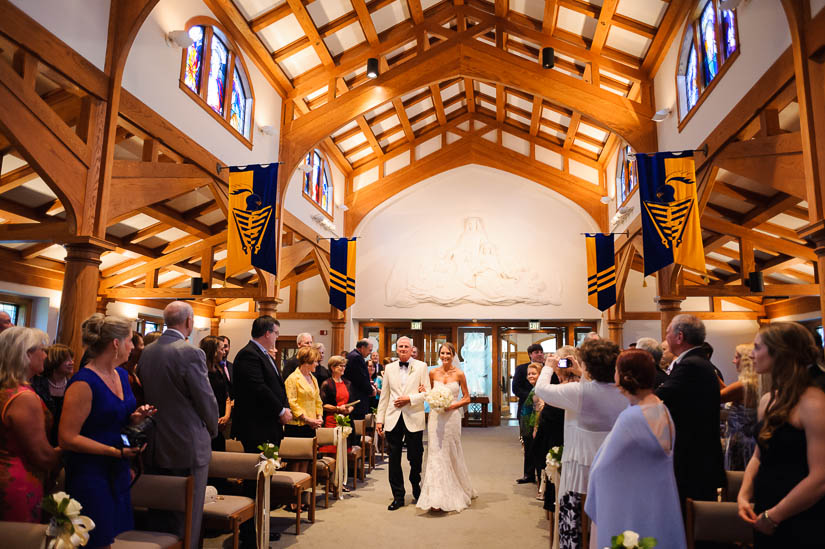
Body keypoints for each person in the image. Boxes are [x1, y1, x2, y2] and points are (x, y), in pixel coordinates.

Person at [60, 315, 155, 547]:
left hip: (118, 469)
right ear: (115, 343)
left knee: (115, 536)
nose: (132, 347)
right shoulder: (83, 383)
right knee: (96, 538)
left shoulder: (122, 376)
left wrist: (135, 419)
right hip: (91, 472)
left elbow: (115, 420)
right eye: (130, 341)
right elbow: (67, 437)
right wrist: (113, 452)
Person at [586, 349, 687, 549]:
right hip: (657, 500)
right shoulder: (660, 407)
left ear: (624, 376)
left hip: (633, 506)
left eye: (616, 370)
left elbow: (603, 466)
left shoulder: (632, 418)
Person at [137, 302, 218, 549]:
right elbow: (205, 398)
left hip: (157, 439)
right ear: (189, 322)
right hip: (187, 442)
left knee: (159, 510)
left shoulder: (147, 352)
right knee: (188, 513)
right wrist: (212, 428)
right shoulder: (191, 352)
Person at [737, 322, 825, 548]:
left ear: (781, 353)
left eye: (757, 348)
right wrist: (744, 495)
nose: (752, 355)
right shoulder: (768, 399)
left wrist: (775, 515)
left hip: (803, 516)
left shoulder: (813, 402)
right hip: (767, 508)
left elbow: (820, 477)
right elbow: (759, 454)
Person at [534, 339, 627, 549]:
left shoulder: (578, 391)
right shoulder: (622, 391)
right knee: (604, 521)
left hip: (580, 468)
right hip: (612, 466)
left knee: (575, 521)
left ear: (587, 365)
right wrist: (582, 373)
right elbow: (599, 387)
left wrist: (548, 367)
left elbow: (542, 390)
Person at [232, 315, 291, 545]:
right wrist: (280, 411)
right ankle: (250, 532)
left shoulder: (262, 354)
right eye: (276, 333)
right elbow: (258, 388)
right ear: (267, 333)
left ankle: (261, 525)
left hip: (268, 428)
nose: (277, 337)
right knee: (255, 479)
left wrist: (284, 408)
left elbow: (275, 386)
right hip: (257, 428)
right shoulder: (249, 354)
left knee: (266, 477)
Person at [655, 314, 725, 506]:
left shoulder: (691, 365)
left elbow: (660, 397)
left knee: (691, 521)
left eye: (668, 331)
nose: (666, 336)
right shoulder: (695, 362)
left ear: (679, 337)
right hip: (695, 457)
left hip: (693, 459)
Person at [0, 327, 61, 522]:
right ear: (26, 354)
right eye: (42, 350)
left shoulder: (6, 390)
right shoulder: (24, 397)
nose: (45, 355)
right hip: (17, 481)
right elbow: (42, 456)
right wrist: (71, 448)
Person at [417, 342, 475, 512]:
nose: (445, 356)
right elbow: (427, 393)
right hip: (435, 417)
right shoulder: (432, 372)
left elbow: (467, 398)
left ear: (453, 355)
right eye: (442, 353)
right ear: (439, 355)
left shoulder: (459, 374)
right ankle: (435, 495)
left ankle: (457, 488)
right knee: (435, 451)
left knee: (451, 451)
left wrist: (452, 406)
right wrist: (425, 393)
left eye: (448, 353)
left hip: (452, 417)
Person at [376, 336, 431, 510]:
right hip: (393, 418)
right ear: (396, 349)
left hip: (413, 416)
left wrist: (410, 398)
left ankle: (416, 484)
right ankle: (398, 496)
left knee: (415, 457)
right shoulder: (389, 368)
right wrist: (380, 420)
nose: (403, 349)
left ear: (411, 348)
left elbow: (427, 393)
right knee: (393, 458)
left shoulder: (421, 366)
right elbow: (384, 396)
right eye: (400, 347)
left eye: (406, 346)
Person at [721, 343, 759, 471]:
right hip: (751, 441)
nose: (733, 361)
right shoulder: (755, 383)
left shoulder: (743, 385)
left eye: (736, 357)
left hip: (741, 443)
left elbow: (718, 397)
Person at [512, 343, 544, 483]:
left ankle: (542, 474)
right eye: (536, 352)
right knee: (528, 442)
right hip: (526, 410)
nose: (539, 354)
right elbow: (516, 389)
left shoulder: (547, 369)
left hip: (542, 410)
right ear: (530, 354)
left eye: (541, 352)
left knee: (540, 442)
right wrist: (532, 396)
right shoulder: (521, 369)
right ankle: (529, 474)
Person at [30, 343, 74, 446]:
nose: (72, 363)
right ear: (54, 362)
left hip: (63, 439)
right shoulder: (36, 383)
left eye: (72, 359)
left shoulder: (74, 384)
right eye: (67, 360)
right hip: (39, 437)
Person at [200, 336, 232, 452]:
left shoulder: (219, 370)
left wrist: (226, 417)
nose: (224, 352)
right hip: (206, 426)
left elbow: (226, 396)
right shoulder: (201, 372)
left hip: (220, 425)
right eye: (221, 349)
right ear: (213, 351)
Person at [284, 346, 324, 440]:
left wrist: (319, 417)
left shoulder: (313, 378)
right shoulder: (293, 378)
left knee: (311, 453)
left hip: (311, 424)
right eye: (315, 361)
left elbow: (317, 400)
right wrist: (307, 419)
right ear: (307, 361)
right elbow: (292, 402)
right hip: (297, 425)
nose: (317, 364)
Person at [519, 362, 543, 489]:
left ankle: (539, 481)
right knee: (528, 450)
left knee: (533, 452)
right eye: (529, 374)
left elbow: (537, 411)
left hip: (532, 425)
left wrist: (535, 428)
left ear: (540, 375)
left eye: (534, 373)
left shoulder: (537, 390)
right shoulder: (533, 388)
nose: (530, 376)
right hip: (527, 424)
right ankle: (529, 475)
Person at [344, 339, 375, 421]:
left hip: (355, 394)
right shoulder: (356, 357)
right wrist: (371, 390)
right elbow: (361, 379)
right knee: (358, 426)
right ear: (362, 348)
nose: (370, 353)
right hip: (357, 397)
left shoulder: (353, 355)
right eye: (370, 350)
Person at [320, 356, 353, 429]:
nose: (343, 368)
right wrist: (337, 409)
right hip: (331, 421)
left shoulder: (348, 383)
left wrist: (349, 409)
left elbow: (352, 402)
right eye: (341, 366)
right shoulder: (326, 384)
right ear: (332, 367)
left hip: (346, 421)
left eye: (344, 366)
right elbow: (322, 405)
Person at [121, 331, 144, 406]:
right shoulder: (121, 372)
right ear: (132, 348)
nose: (144, 348)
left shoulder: (136, 368)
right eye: (142, 345)